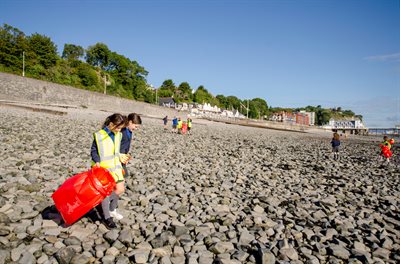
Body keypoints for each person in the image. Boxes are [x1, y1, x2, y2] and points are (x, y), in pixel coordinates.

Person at [91, 113, 126, 229]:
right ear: (111, 124)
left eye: (121, 128)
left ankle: (105, 206)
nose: (119, 130)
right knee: (105, 193)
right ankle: (107, 218)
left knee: (120, 189)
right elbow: (93, 150)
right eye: (118, 127)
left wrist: (122, 157)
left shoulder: (118, 135)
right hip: (103, 169)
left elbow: (116, 151)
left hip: (116, 168)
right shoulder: (99, 135)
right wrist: (96, 160)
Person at [120, 113, 142, 178]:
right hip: (119, 157)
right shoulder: (122, 131)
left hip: (123, 157)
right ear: (130, 122)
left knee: (124, 175)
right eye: (135, 126)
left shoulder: (129, 131)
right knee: (123, 176)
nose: (136, 129)